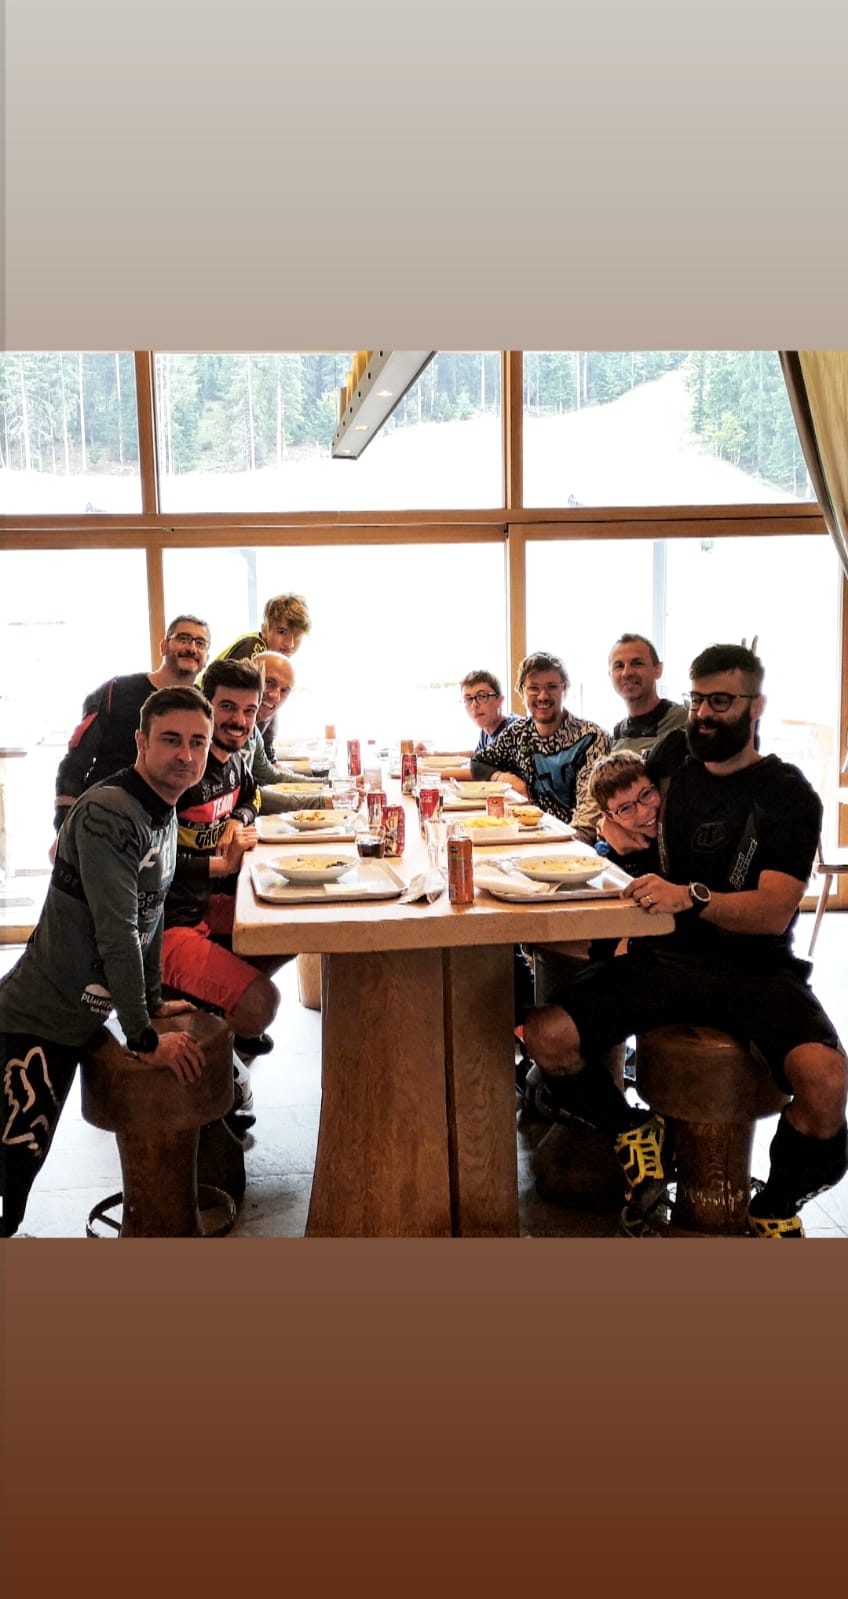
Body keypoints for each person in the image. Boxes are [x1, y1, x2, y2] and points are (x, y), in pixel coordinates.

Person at [521, 644, 848, 1238]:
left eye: (721, 701)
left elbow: (773, 912)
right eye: (697, 700)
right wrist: (614, 826)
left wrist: (690, 896)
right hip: (666, 960)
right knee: (545, 1034)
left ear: (756, 706)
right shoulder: (674, 757)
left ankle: (776, 1203)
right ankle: (631, 1131)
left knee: (826, 1082)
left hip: (755, 968)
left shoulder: (787, 793)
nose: (703, 715)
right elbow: (618, 794)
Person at [1, 686, 214, 1237]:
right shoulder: (110, 813)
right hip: (33, 1020)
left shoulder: (162, 810)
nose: (185, 755)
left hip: (78, 1018)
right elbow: (117, 932)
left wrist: (151, 1000)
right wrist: (143, 1038)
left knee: (12, 1190)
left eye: (197, 742)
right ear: (141, 742)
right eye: (171, 740)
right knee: (7, 1187)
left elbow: (150, 915)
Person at [161, 657, 284, 1063]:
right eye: (228, 707)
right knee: (263, 1004)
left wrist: (237, 819)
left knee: (290, 928)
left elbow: (253, 795)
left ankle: (221, 1006)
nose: (240, 721)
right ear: (205, 704)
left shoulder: (234, 761)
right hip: (165, 925)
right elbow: (146, 861)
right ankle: (226, 1046)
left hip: (205, 905)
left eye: (250, 710)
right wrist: (220, 866)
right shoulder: (180, 771)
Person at [54, 614, 211, 834]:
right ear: (164, 646)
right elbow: (76, 762)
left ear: (206, 657)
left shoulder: (203, 707)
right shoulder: (117, 691)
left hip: (164, 829)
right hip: (105, 821)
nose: (192, 648)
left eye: (200, 643)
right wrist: (65, 827)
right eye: (183, 638)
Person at [471, 651, 612, 839]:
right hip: (532, 835)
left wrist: (554, 846)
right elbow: (478, 763)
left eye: (552, 687)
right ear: (521, 692)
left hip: (573, 843)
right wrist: (504, 777)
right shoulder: (518, 733)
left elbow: (587, 824)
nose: (543, 696)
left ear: (565, 689)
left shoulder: (591, 738)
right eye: (533, 688)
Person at [216, 594, 311, 760]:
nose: (290, 644)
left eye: (297, 637)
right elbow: (243, 709)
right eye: (282, 632)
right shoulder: (254, 648)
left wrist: (269, 756)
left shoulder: (275, 662)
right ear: (265, 630)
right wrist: (267, 758)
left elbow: (268, 708)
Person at [245, 651, 328, 812]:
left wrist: (330, 784)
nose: (275, 696)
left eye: (284, 690)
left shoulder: (253, 732)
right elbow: (245, 794)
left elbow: (271, 776)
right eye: (269, 682)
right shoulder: (224, 729)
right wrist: (323, 802)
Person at [608, 633, 688, 755]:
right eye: (619, 666)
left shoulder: (683, 722)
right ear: (610, 675)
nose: (626, 673)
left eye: (637, 663)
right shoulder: (616, 736)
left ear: (658, 669)